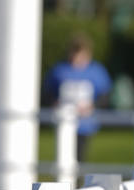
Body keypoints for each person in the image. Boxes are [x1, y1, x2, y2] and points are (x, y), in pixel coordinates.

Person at [42, 33, 112, 161]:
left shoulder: (96, 71)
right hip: (63, 120)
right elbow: (47, 92)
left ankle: (77, 181)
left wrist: (92, 106)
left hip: (84, 124)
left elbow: (105, 95)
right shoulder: (60, 70)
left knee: (79, 159)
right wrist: (54, 103)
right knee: (62, 157)